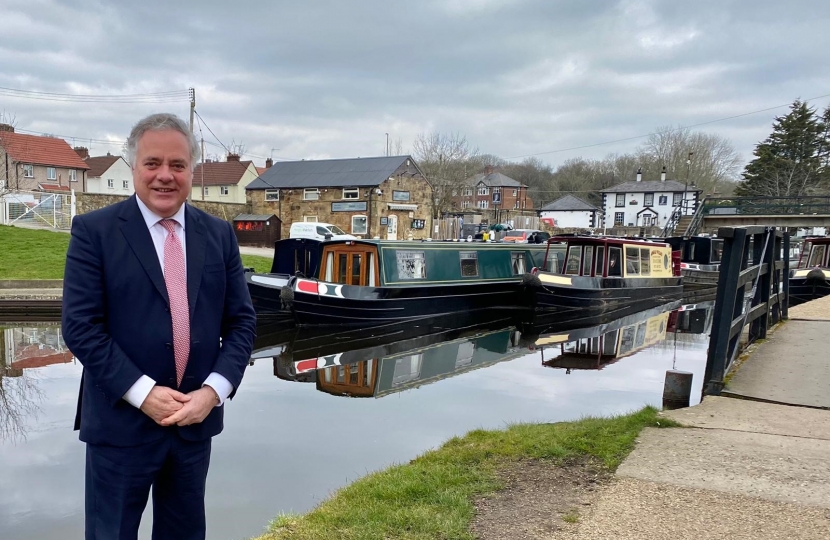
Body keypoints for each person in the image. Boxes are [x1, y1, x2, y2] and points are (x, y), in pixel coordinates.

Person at [62, 113, 257, 540]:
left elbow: (242, 322)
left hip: (194, 424)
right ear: (134, 167)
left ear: (192, 170)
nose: (165, 176)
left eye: (177, 165)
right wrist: (143, 393)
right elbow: (80, 327)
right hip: (119, 426)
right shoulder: (94, 232)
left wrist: (213, 393)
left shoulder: (219, 234)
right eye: (152, 163)